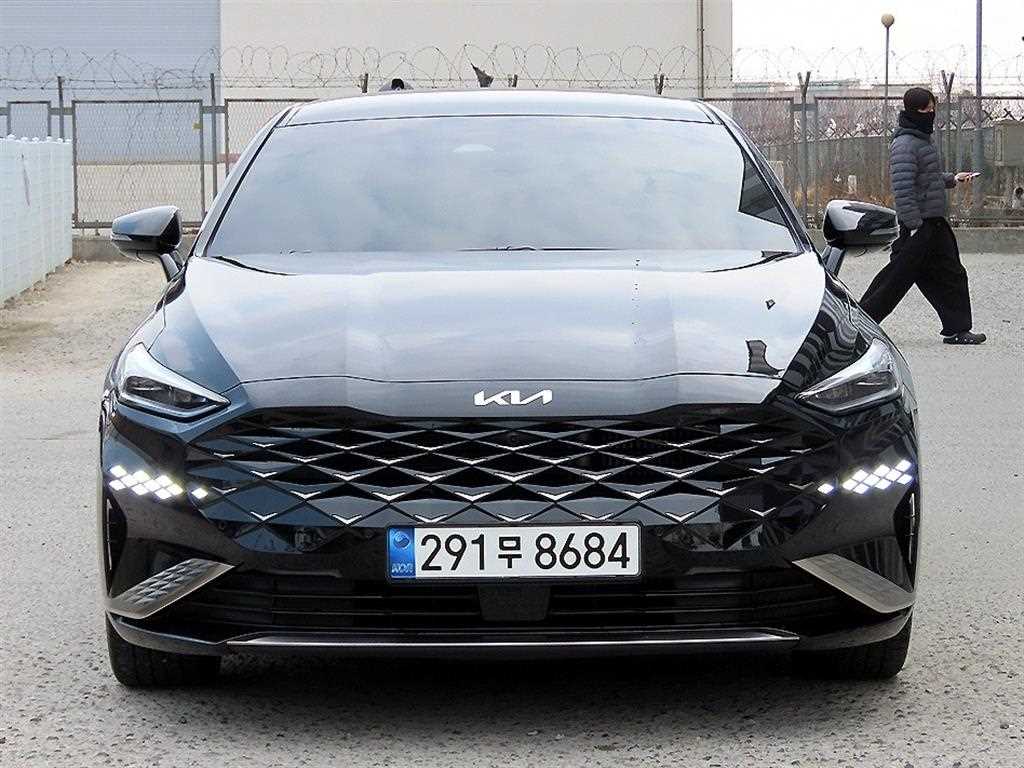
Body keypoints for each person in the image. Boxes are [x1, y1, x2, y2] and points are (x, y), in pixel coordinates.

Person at [859, 87, 987, 345]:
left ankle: (957, 329)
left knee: (951, 273)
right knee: (896, 277)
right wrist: (914, 225)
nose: (931, 113)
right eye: (926, 109)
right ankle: (859, 324)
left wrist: (953, 179)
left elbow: (926, 178)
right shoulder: (905, 144)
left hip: (933, 221)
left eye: (932, 108)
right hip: (919, 224)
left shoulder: (920, 139)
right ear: (913, 110)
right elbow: (903, 189)